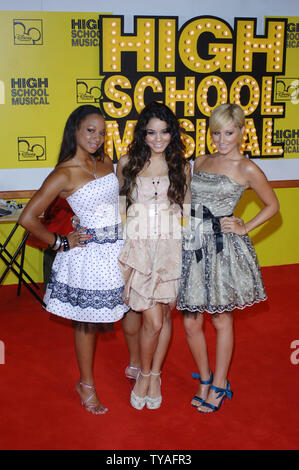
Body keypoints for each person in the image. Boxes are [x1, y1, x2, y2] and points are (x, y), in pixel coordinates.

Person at [19, 104, 130, 415]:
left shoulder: (106, 161)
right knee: (87, 324)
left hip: (118, 250)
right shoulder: (65, 172)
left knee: (130, 309)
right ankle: (87, 384)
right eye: (90, 130)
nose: (97, 137)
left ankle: (138, 369)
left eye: (102, 132)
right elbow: (28, 218)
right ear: (76, 131)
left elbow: (115, 201)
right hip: (87, 257)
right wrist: (60, 241)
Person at [177, 103, 279, 413]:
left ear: (241, 132)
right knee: (191, 320)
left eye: (229, 133)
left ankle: (220, 383)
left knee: (221, 318)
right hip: (194, 241)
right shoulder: (200, 161)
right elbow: (191, 202)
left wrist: (244, 226)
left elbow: (272, 205)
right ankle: (204, 378)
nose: (221, 140)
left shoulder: (247, 168)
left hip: (223, 247)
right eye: (216, 132)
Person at [117, 101, 191, 410]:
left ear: (172, 134)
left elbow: (187, 208)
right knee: (153, 321)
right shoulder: (127, 163)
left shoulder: (181, 165)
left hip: (170, 249)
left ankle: (154, 375)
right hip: (140, 248)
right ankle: (145, 372)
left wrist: (191, 248)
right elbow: (120, 207)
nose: (158, 139)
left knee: (163, 314)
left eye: (164, 132)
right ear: (142, 134)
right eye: (151, 133)